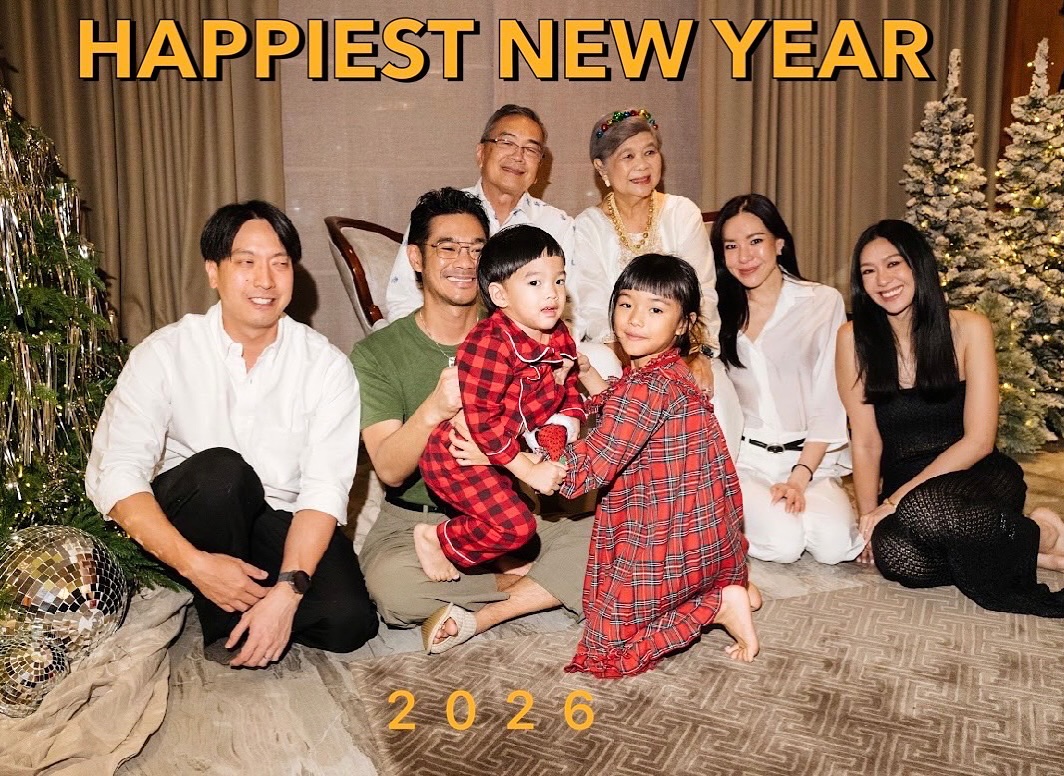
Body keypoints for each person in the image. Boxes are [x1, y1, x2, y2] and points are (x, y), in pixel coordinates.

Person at [85, 201, 378, 667]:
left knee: (348, 622)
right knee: (223, 472)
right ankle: (220, 616)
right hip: (193, 513)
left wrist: (287, 593)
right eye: (246, 262)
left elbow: (323, 490)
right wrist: (195, 564)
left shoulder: (325, 366)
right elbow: (118, 475)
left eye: (280, 263)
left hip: (276, 514)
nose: (265, 280)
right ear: (213, 272)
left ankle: (250, 602)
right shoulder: (165, 353)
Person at [351, 188, 593, 655]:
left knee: (618, 535)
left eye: (477, 249)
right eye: (448, 247)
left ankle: (488, 610)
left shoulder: (525, 327)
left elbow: (549, 423)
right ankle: (533, 582)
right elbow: (390, 470)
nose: (465, 261)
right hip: (416, 522)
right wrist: (435, 409)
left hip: (511, 509)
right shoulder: (377, 352)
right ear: (416, 258)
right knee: (395, 589)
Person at [836, 219, 1064, 616]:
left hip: (976, 475)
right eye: (869, 271)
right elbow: (867, 441)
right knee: (897, 556)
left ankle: (1038, 532)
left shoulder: (970, 328)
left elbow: (979, 440)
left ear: (918, 265)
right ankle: (1034, 542)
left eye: (894, 264)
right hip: (908, 486)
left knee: (929, 509)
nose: (882, 280)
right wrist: (868, 518)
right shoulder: (852, 340)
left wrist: (895, 501)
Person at [559, 253, 759, 678]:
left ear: (684, 324)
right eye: (626, 303)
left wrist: (514, 457)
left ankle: (718, 604)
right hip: (705, 528)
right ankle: (725, 583)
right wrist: (589, 375)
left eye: (655, 309)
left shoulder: (646, 388)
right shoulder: (669, 371)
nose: (635, 319)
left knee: (606, 648)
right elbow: (625, 411)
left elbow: (590, 468)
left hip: (666, 532)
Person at [569, 108, 742, 457]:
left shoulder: (682, 213)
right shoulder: (588, 226)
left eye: (650, 152)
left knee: (714, 403)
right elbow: (593, 309)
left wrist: (696, 353)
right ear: (601, 168)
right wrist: (636, 366)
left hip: (684, 348)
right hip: (618, 351)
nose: (642, 165)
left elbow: (703, 293)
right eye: (627, 156)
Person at [417, 224, 581, 582]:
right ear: (499, 294)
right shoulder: (489, 343)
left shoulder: (558, 334)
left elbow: (568, 385)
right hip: (457, 455)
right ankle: (437, 539)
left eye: (559, 280)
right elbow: (482, 422)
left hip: (500, 449)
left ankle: (496, 552)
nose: (552, 293)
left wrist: (564, 423)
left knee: (520, 519)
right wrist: (526, 468)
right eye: (534, 282)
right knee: (516, 527)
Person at [712, 194, 863, 564]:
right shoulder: (716, 312)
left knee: (834, 547)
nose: (744, 256)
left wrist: (800, 476)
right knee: (784, 544)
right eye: (731, 246)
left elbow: (829, 400)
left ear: (779, 243)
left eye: (755, 241)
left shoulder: (821, 302)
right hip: (747, 461)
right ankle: (725, 517)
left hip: (811, 459)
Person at [385, 105, 576, 321]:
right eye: (507, 143)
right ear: (481, 154)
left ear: (539, 167)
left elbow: (573, 310)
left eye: (531, 150)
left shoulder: (559, 225)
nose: (518, 156)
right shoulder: (441, 213)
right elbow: (403, 301)